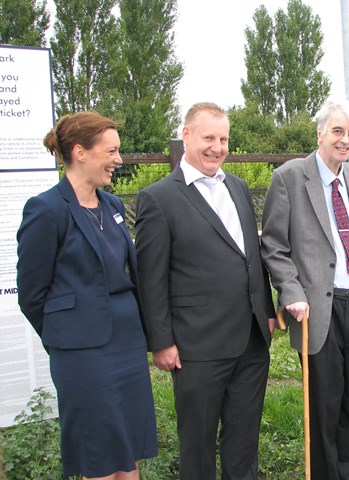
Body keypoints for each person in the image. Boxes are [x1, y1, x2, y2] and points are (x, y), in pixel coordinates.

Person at [134, 102, 276, 480]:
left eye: (224, 138)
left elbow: (251, 255)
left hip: (251, 340)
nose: (217, 147)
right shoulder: (158, 198)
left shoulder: (239, 188)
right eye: (208, 137)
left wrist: (266, 310)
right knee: (197, 445)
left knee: (244, 440)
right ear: (186, 136)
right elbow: (151, 278)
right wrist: (161, 340)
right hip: (197, 345)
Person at [16, 111, 158, 480]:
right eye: (111, 151)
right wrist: (64, 339)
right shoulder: (46, 210)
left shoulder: (111, 206)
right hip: (82, 353)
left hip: (126, 344)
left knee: (128, 451)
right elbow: (31, 293)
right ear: (80, 152)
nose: (118, 159)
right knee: (99, 455)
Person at [261, 98, 349, 480]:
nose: (345, 140)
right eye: (338, 131)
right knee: (325, 406)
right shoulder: (289, 177)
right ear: (320, 133)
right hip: (317, 310)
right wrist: (290, 291)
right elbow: (274, 245)